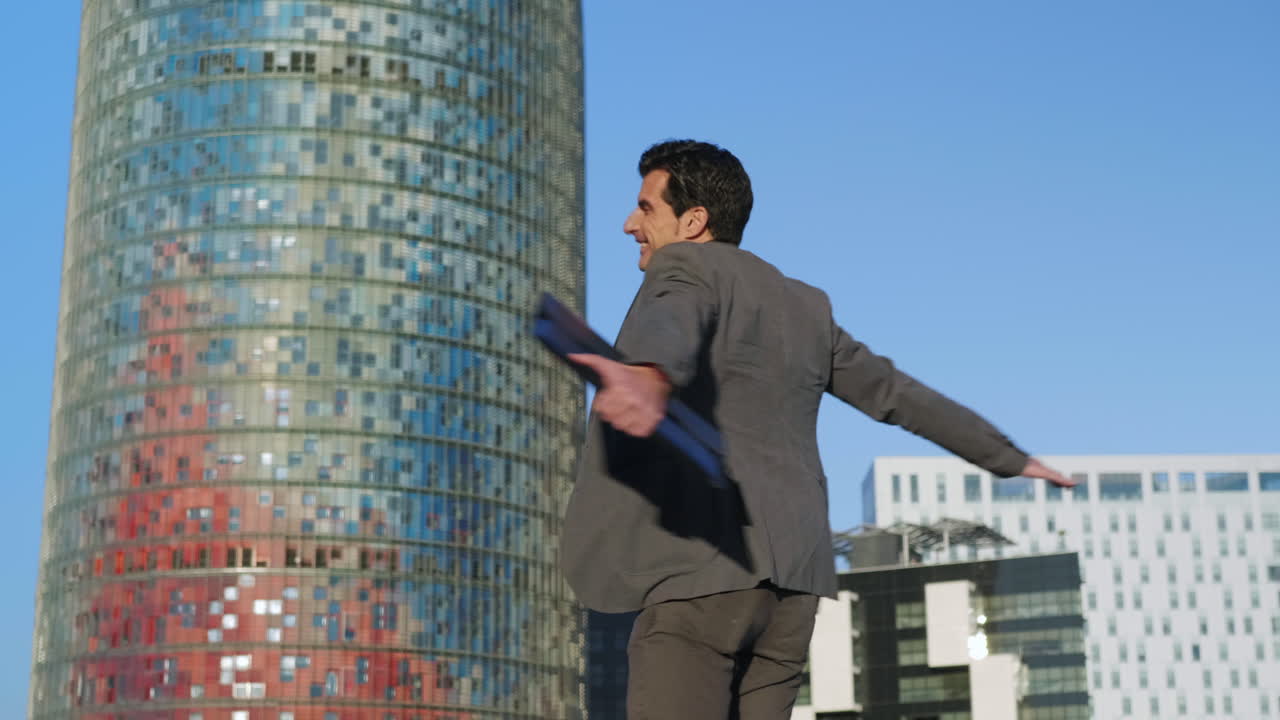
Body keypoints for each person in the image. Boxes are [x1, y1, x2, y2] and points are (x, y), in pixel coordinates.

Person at [561, 139, 1072, 720]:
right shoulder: (805, 306)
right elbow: (894, 393)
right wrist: (1007, 456)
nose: (630, 224)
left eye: (645, 207)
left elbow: (671, 322)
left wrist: (652, 372)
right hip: (791, 591)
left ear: (694, 221)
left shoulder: (683, 268)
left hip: (702, 574)